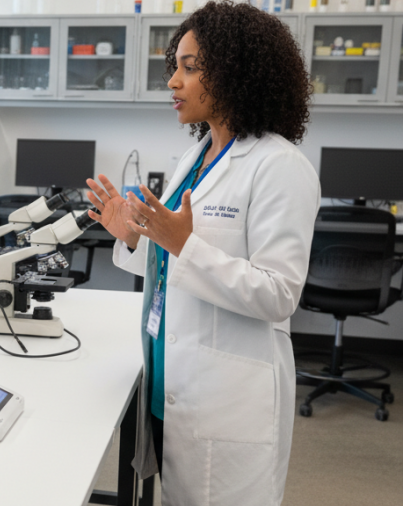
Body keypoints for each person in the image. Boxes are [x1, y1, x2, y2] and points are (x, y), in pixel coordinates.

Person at [85, 3, 319, 505]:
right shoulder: (196, 157)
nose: (173, 81)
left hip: (227, 398)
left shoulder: (280, 166)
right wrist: (131, 236)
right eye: (177, 65)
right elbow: (171, 259)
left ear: (236, 72)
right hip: (171, 384)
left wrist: (181, 244)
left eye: (190, 68)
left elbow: (279, 294)